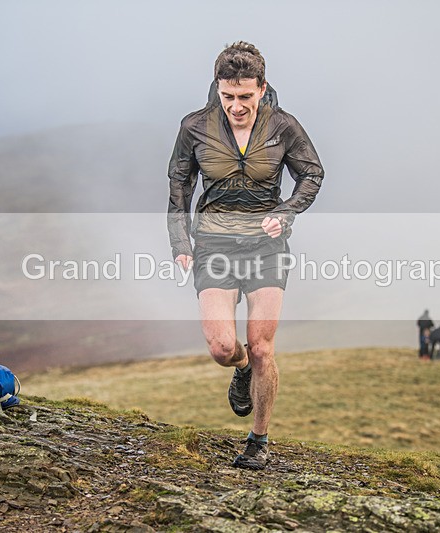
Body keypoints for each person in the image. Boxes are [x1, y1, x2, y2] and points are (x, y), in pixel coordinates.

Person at [167, 42, 324, 470]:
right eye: (228, 97)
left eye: (245, 97)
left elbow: (312, 173)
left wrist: (285, 212)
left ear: (262, 89)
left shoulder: (284, 126)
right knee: (222, 347)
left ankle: (259, 439)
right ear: (217, 90)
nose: (236, 106)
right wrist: (180, 243)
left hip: (265, 244)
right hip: (214, 243)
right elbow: (179, 187)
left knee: (261, 347)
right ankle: (240, 369)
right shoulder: (195, 127)